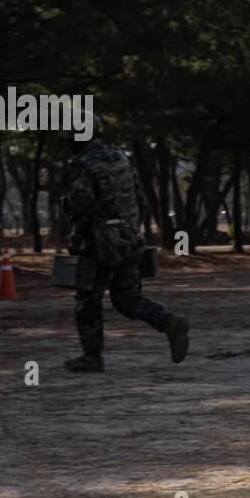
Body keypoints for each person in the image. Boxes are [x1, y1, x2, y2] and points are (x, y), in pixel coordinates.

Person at [63, 120, 189, 372]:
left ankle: (92, 357)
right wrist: (129, 230)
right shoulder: (121, 158)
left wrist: (77, 235)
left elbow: (81, 206)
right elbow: (141, 200)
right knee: (127, 299)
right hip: (129, 238)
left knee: (88, 299)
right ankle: (168, 321)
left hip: (97, 242)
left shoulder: (82, 164)